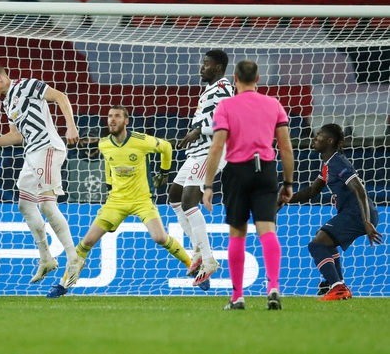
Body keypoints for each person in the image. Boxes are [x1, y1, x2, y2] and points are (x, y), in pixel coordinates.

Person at [47, 106, 192, 298]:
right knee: (87, 241)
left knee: (160, 238)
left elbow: (166, 147)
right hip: (116, 201)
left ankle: (194, 267)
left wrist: (164, 173)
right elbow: (109, 164)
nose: (112, 120)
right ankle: (64, 284)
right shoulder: (104, 144)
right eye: (109, 116)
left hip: (141, 200)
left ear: (126, 121)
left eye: (117, 116)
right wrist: (109, 188)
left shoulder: (141, 141)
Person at [0, 61, 80, 284]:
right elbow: (16, 136)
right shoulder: (6, 102)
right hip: (31, 154)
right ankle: (46, 259)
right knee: (25, 204)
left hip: (47, 148)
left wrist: (71, 126)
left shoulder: (27, 85)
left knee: (46, 204)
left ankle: (73, 258)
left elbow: (60, 96)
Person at [202, 60, 295, 311]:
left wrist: (208, 185)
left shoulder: (226, 106)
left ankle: (238, 296)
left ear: (235, 78)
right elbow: (285, 147)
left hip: (237, 171)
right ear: (258, 78)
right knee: (267, 230)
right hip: (265, 170)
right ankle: (273, 286)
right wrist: (288, 182)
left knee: (238, 234)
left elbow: (217, 146)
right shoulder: (273, 104)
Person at [279, 123, 382, 300]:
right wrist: (286, 199)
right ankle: (336, 284)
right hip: (355, 212)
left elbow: (360, 190)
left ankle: (337, 286)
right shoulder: (328, 164)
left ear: (330, 140)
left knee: (316, 245)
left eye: (319, 135)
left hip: (358, 213)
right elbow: (313, 191)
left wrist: (366, 221)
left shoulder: (338, 162)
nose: (314, 137)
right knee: (324, 240)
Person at [169, 49, 233, 289]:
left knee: (188, 200)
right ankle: (197, 250)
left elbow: (229, 119)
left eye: (206, 64)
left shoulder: (224, 88)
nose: (201, 67)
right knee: (174, 196)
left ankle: (208, 260)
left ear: (218, 67)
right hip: (197, 151)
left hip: (212, 150)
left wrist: (198, 130)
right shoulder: (210, 89)